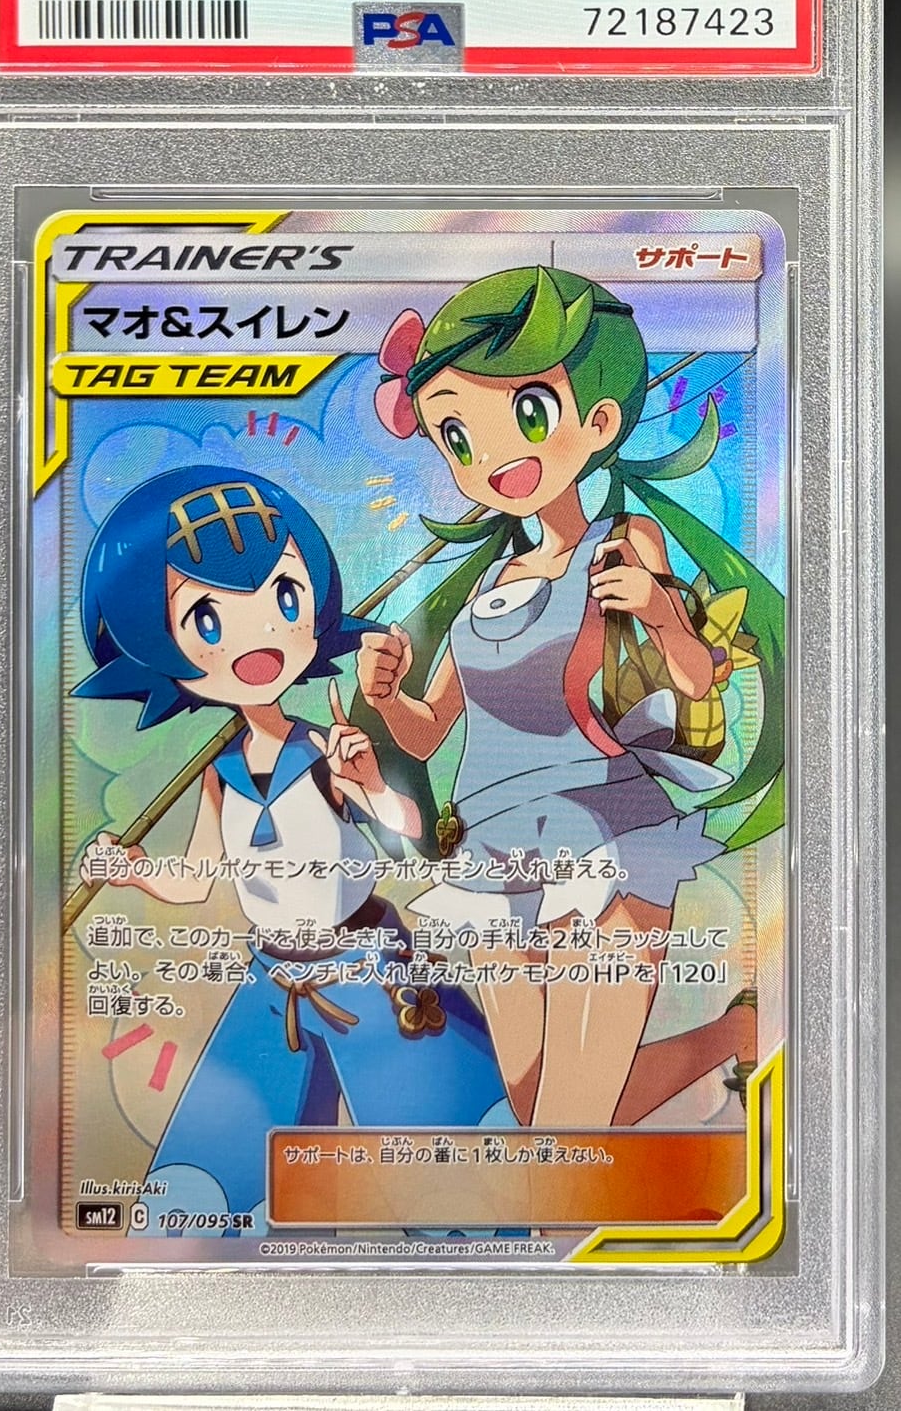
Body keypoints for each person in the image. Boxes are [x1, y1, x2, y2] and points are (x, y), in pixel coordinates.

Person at [360, 267, 781, 1127]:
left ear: (599, 421)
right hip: (492, 852)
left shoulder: (623, 541)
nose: (492, 458)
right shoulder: (488, 583)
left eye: (527, 413)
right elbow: (432, 732)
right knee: (534, 1105)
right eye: (457, 436)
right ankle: (731, 1035)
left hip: (604, 832)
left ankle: (727, 1041)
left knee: (569, 1117)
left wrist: (660, 609)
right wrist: (388, 696)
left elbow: (697, 679)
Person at [75, 467, 505, 1231]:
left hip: (370, 969)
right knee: (222, 1190)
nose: (255, 639)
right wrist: (131, 871)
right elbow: (198, 879)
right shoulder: (220, 773)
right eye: (208, 619)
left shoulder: (327, 749)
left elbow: (407, 828)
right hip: (274, 981)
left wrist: (366, 782)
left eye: (282, 596)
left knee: (454, 1177)